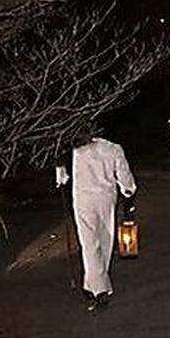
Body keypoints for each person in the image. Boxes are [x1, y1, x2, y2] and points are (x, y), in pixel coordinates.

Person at [56, 127, 136, 310]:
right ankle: (97, 286)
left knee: (89, 244)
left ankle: (96, 288)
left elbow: (62, 177)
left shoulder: (75, 150)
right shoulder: (113, 148)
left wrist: (60, 176)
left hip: (84, 200)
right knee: (105, 240)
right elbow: (124, 175)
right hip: (106, 198)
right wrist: (128, 190)